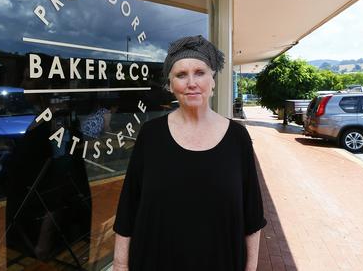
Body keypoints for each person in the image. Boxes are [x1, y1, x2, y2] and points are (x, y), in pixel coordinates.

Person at [112, 35, 267, 271]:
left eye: (200, 72)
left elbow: (252, 216)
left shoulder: (238, 138)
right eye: (181, 75)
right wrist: (121, 266)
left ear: (213, 80)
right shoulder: (150, 135)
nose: (191, 82)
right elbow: (127, 210)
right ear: (170, 84)